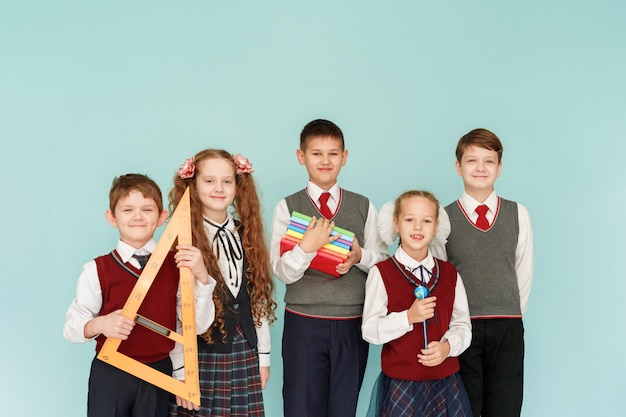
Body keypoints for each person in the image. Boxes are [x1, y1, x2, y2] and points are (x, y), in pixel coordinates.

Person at [380, 128, 534, 417]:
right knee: (464, 407)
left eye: (489, 161)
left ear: (499, 169)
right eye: (472, 160)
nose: (480, 168)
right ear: (458, 167)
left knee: (506, 406)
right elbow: (439, 278)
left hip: (507, 327)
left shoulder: (518, 214)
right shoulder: (443, 219)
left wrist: (511, 312)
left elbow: (523, 272)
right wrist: (453, 331)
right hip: (462, 329)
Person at [64, 173, 216, 417]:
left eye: (147, 209)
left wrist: (203, 279)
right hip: (111, 372)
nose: (137, 216)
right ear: (111, 217)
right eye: (127, 210)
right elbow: (72, 327)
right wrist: (101, 323)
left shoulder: (178, 265)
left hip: (158, 374)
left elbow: (194, 327)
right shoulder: (96, 269)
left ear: (162, 217)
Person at [270, 119, 389, 417]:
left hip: (352, 321)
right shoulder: (287, 207)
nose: (325, 161)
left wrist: (360, 256)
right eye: (316, 153)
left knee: (344, 406)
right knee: (301, 405)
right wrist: (306, 248)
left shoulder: (363, 206)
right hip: (303, 322)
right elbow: (280, 270)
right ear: (301, 157)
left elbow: (384, 263)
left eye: (333, 153)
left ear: (344, 157)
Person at [168, 149, 277, 417]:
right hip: (202, 356)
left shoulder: (245, 233)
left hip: (244, 350)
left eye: (227, 181)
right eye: (209, 181)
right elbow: (177, 316)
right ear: (193, 184)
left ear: (237, 186)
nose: (219, 188)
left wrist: (264, 356)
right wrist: (181, 372)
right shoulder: (182, 239)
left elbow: (256, 301)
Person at [362, 190, 473, 417]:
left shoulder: (450, 274)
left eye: (426, 221)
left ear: (435, 227)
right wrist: (407, 318)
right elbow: (370, 331)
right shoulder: (382, 273)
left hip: (445, 383)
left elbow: (462, 325)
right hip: (402, 383)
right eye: (409, 219)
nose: (418, 227)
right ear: (396, 223)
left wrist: (447, 347)